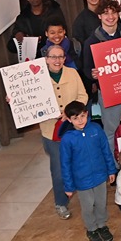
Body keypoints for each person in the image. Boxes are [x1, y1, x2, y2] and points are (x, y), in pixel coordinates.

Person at [34, 43, 88, 220]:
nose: (57, 60)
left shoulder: (72, 74)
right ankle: (61, 203)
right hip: (51, 132)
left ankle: (86, 195)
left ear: (65, 59)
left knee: (80, 164)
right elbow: (28, 101)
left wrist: (70, 112)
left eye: (60, 57)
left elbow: (83, 96)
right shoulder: (36, 77)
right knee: (58, 170)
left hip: (73, 128)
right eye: (53, 57)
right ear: (46, 59)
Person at [79, 0, 121, 156]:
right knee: (110, 130)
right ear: (99, 16)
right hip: (107, 91)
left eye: (114, 12)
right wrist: (92, 74)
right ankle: (114, 167)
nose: (110, 17)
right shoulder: (91, 41)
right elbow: (86, 69)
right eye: (106, 13)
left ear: (118, 14)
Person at [59, 100, 116, 241]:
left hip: (100, 176)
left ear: (87, 114)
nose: (80, 121)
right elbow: (65, 164)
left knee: (101, 203)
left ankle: (102, 225)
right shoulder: (67, 139)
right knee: (88, 206)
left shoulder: (96, 129)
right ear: (69, 120)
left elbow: (106, 151)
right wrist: (69, 186)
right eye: (75, 118)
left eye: (82, 116)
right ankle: (91, 229)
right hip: (82, 181)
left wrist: (111, 170)